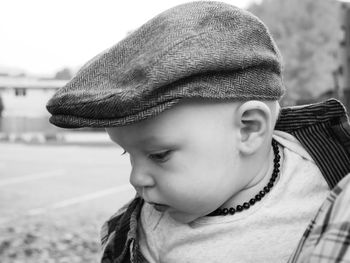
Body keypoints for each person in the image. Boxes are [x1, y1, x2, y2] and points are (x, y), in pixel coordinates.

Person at [46, 2, 350, 262]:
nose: (136, 178)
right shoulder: (147, 233)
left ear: (249, 128)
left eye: (159, 155)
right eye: (129, 154)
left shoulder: (332, 173)